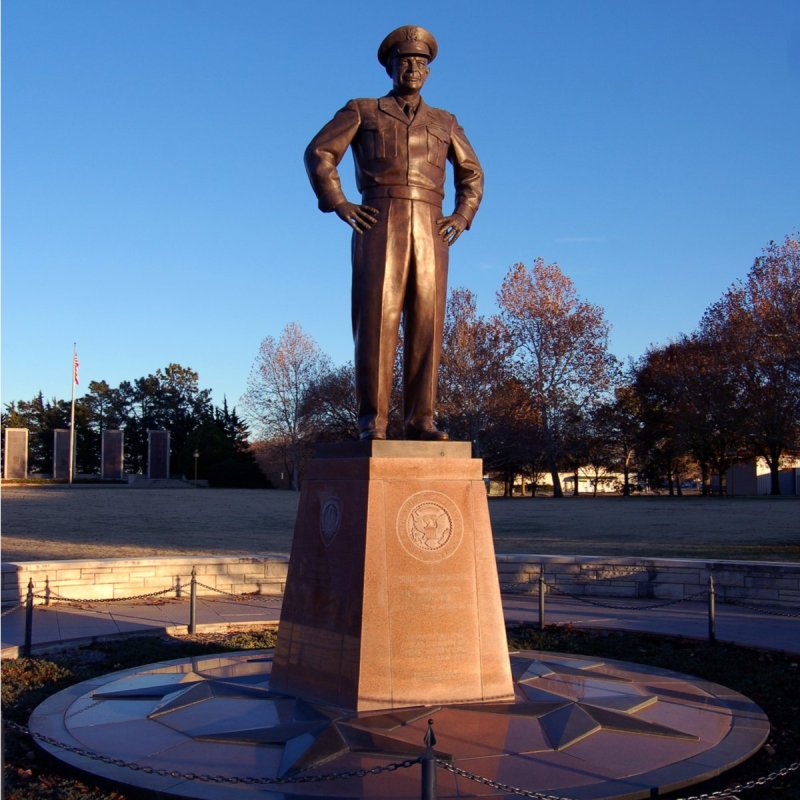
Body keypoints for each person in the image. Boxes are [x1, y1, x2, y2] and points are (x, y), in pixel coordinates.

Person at [304, 25, 483, 441]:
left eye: (420, 62)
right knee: (377, 322)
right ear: (390, 66)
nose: (412, 69)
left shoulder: (445, 121)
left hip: (431, 225)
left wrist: (461, 215)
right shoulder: (363, 110)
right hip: (379, 217)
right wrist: (339, 202)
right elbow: (320, 153)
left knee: (427, 321)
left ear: (429, 71)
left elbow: (471, 173)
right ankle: (373, 420)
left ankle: (421, 419)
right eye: (404, 61)